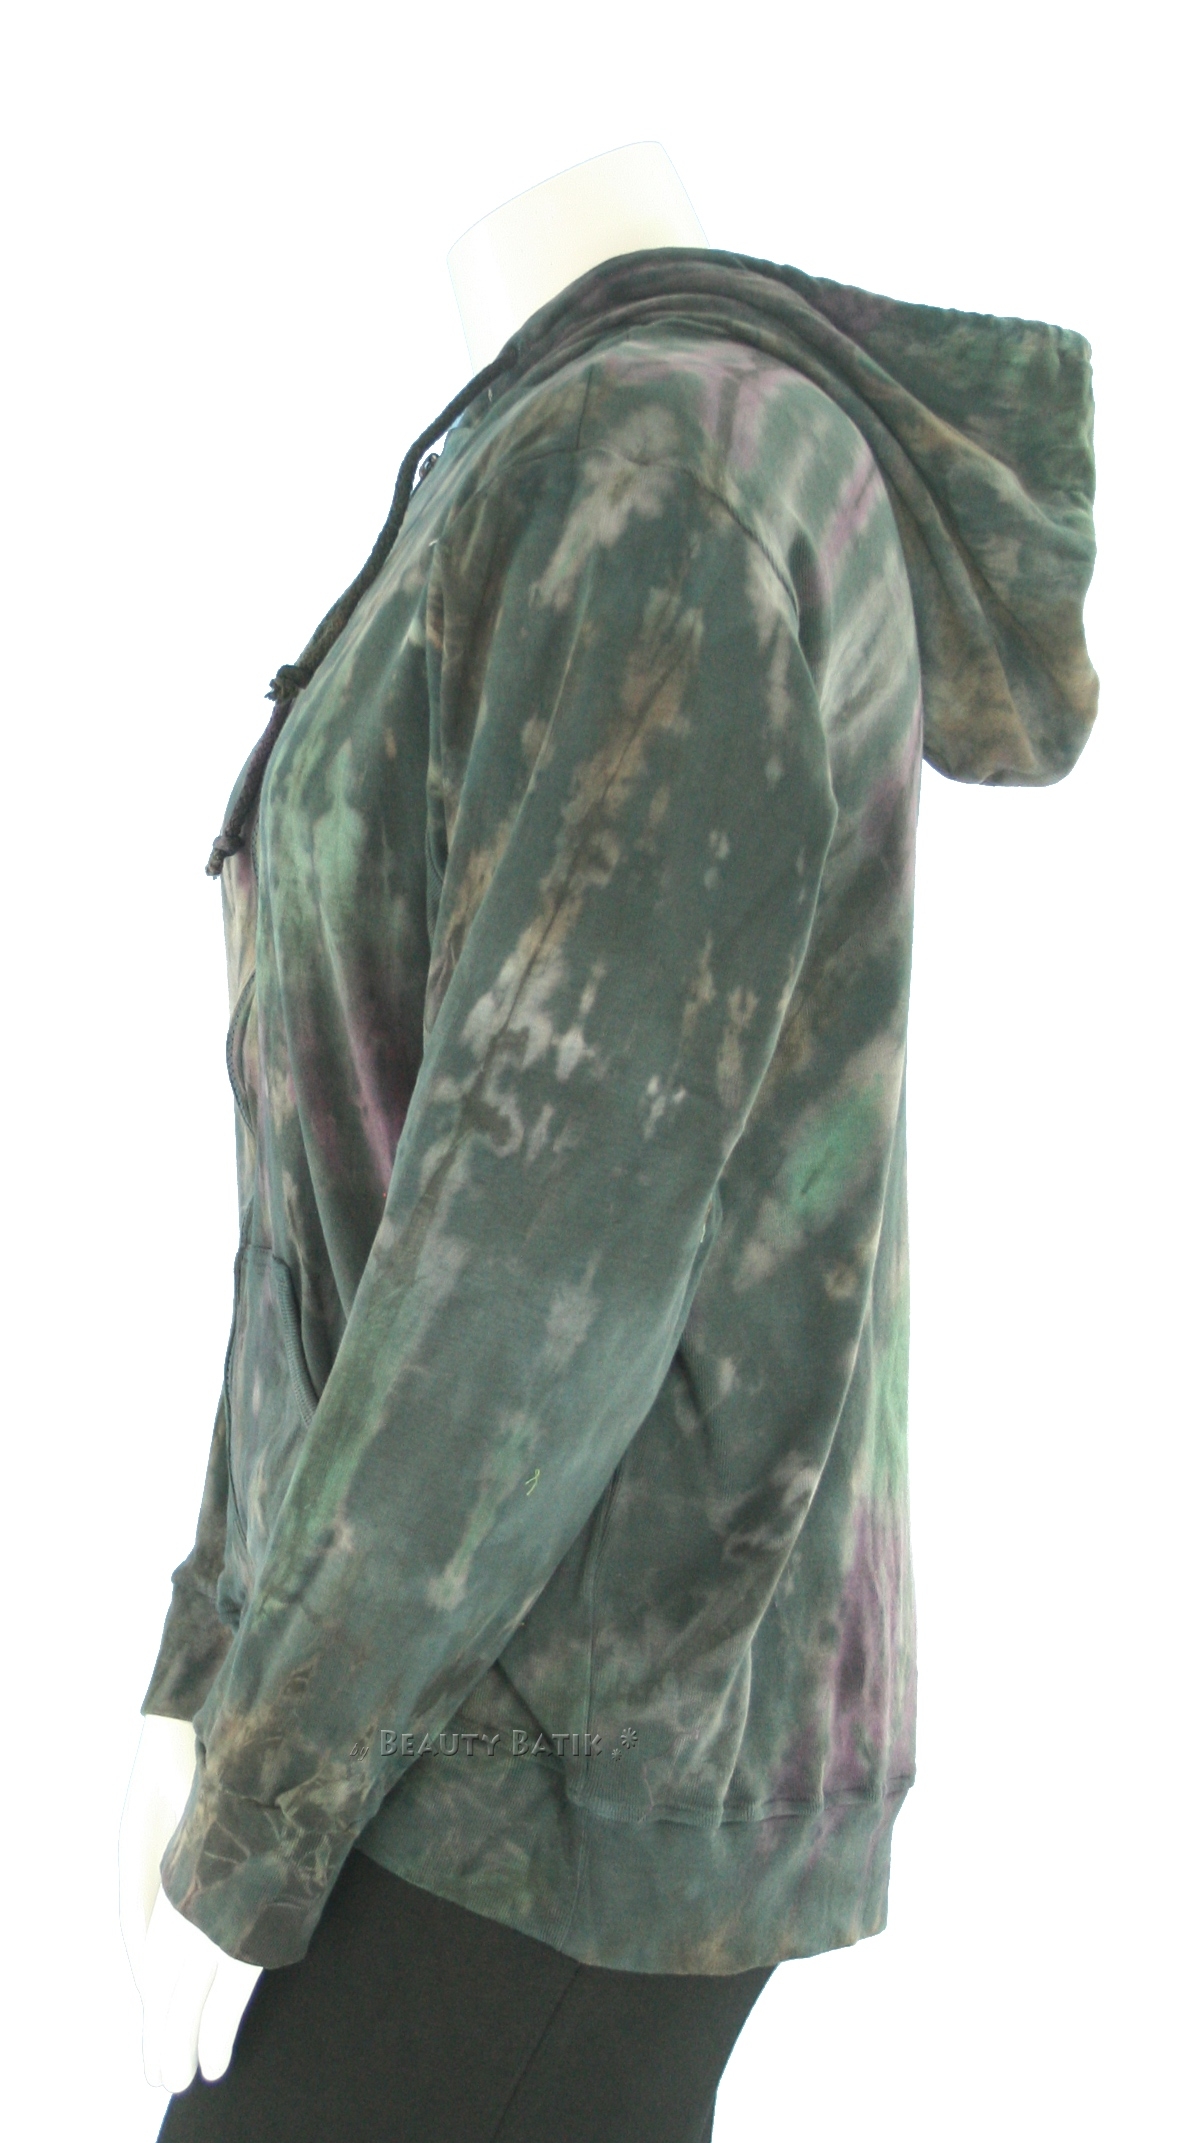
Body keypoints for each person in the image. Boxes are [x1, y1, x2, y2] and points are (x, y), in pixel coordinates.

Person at [119, 138, 1098, 2142]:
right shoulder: (559, 456)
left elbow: (538, 1233)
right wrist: (209, 1668)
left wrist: (263, 1794)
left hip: (527, 1759)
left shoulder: (656, 469)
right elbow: (355, 1186)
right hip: (450, 1712)